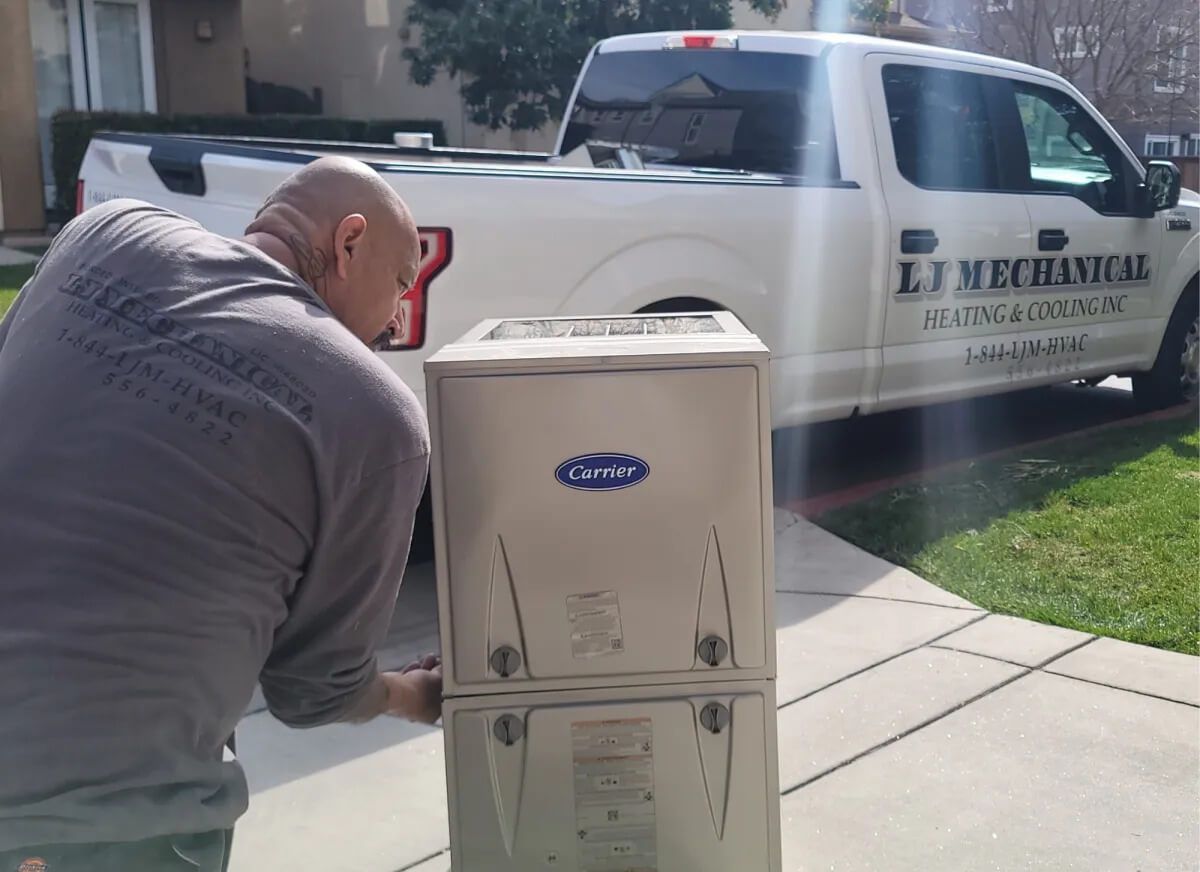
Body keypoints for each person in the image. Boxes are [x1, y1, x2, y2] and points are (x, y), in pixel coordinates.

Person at [0, 157, 441, 871]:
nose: (396, 317)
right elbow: (313, 690)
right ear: (349, 241)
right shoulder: (375, 415)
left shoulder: (100, 234)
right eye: (401, 282)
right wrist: (412, 695)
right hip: (93, 828)